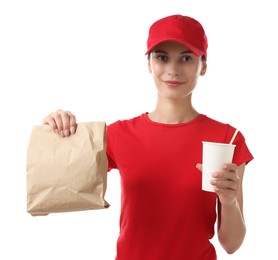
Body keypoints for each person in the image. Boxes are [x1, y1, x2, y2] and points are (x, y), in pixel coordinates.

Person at [43, 14, 253, 260]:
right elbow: (58, 189)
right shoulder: (118, 134)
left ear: (203, 65)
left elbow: (231, 244)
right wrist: (57, 132)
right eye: (162, 57)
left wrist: (228, 201)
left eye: (186, 58)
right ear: (149, 63)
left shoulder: (227, 138)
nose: (172, 70)